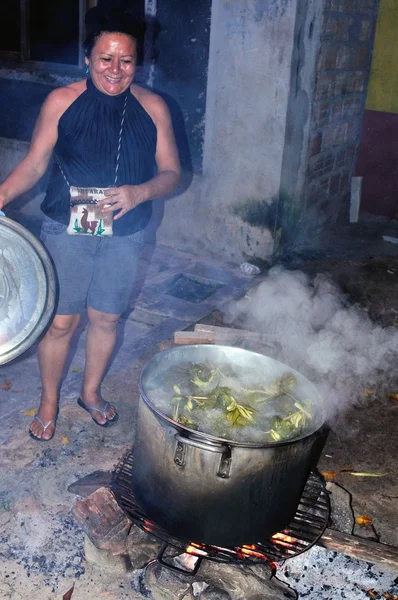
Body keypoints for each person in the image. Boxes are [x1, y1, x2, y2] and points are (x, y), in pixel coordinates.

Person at [0, 6, 181, 441]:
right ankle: (47, 402)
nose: (115, 70)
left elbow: (172, 174)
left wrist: (140, 192)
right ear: (88, 58)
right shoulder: (62, 101)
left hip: (127, 231)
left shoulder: (155, 107)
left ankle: (91, 392)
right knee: (61, 322)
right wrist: (2, 195)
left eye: (126, 60)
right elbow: (34, 164)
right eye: (105, 58)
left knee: (106, 319)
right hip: (66, 230)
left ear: (138, 62)